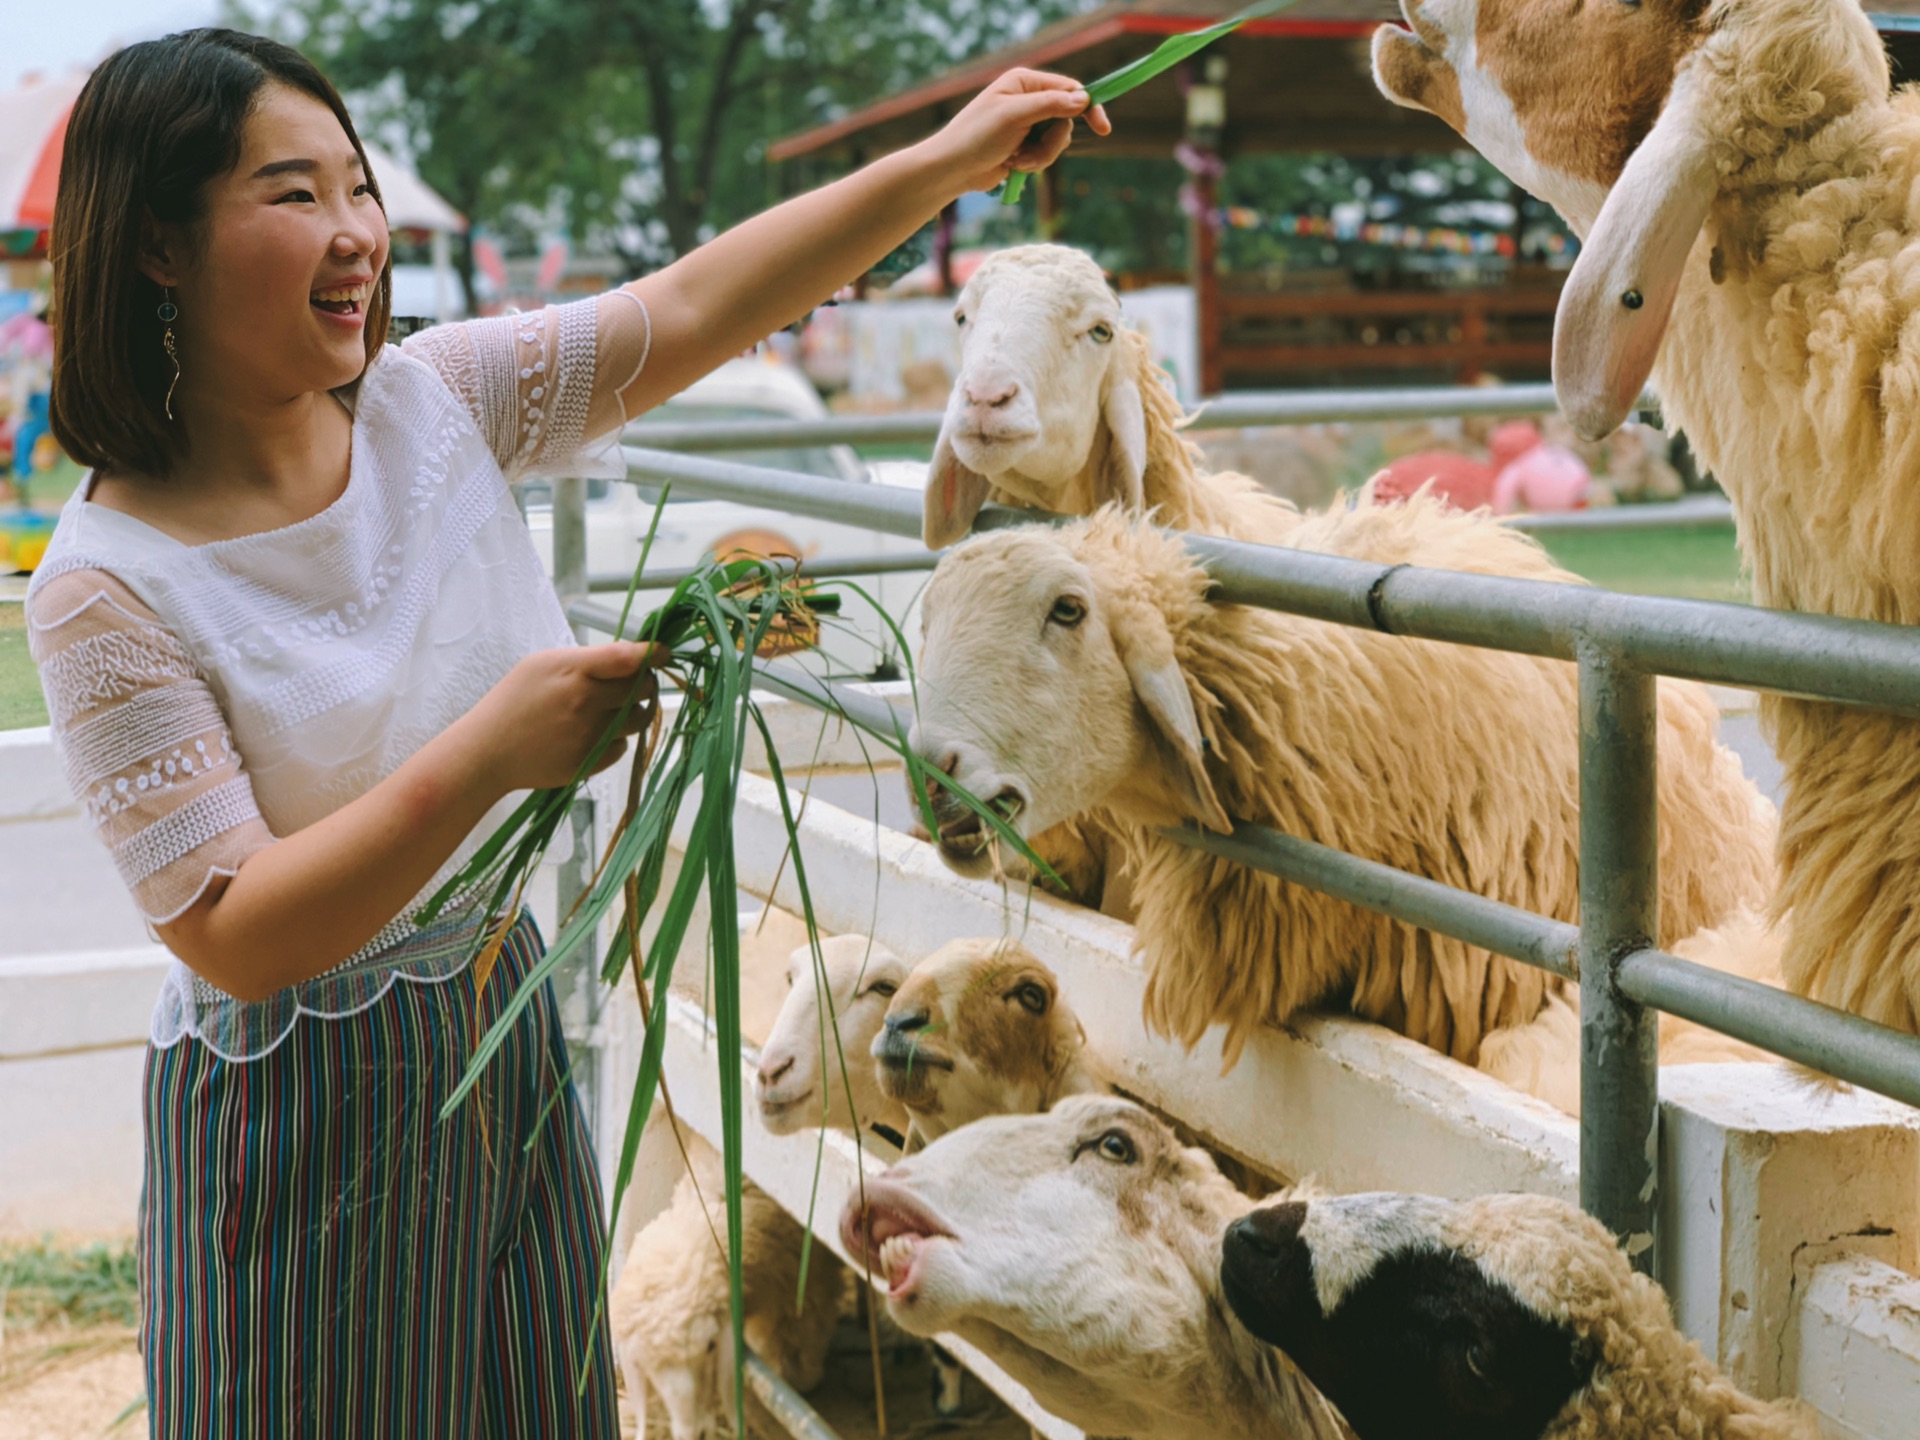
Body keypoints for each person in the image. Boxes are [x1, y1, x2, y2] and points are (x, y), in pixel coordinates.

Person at [26, 27, 1109, 1436]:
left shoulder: (434, 403)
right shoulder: (110, 583)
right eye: (293, 195)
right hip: (300, 1107)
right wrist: (492, 749)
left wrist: (944, 162)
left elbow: (702, 301)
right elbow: (234, 926)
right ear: (159, 245)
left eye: (358, 189)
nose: (355, 234)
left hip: (503, 1016)